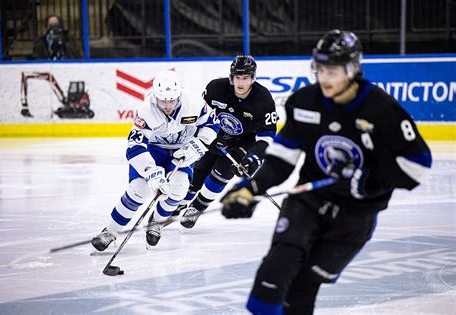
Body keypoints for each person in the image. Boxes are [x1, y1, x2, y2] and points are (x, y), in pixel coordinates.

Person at [220, 29, 432, 314]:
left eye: (333, 70)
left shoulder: (381, 109)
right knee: (272, 275)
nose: (325, 78)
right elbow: (281, 159)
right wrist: (249, 188)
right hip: (308, 201)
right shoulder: (305, 102)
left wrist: (367, 181)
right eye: (320, 69)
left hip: (355, 217)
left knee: (301, 290)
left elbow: (417, 165)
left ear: (353, 69)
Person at [91, 70, 219, 249]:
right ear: (155, 96)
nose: (167, 105)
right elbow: (134, 146)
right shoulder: (146, 110)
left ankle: (157, 223)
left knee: (179, 188)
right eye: (162, 101)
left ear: (179, 95)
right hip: (154, 151)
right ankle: (110, 232)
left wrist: (199, 144)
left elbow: (213, 123)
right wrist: (151, 171)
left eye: (171, 100)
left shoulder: (195, 103)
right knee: (139, 189)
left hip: (183, 150)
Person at [172, 55, 278, 229]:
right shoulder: (215, 88)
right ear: (231, 77)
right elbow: (199, 116)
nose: (241, 83)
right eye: (237, 77)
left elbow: (266, 135)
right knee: (197, 173)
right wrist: (199, 138)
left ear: (253, 78)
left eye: (245, 78)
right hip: (212, 136)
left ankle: (197, 207)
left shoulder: (263, 99)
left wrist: (253, 159)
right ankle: (181, 202)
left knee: (222, 173)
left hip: (243, 142)